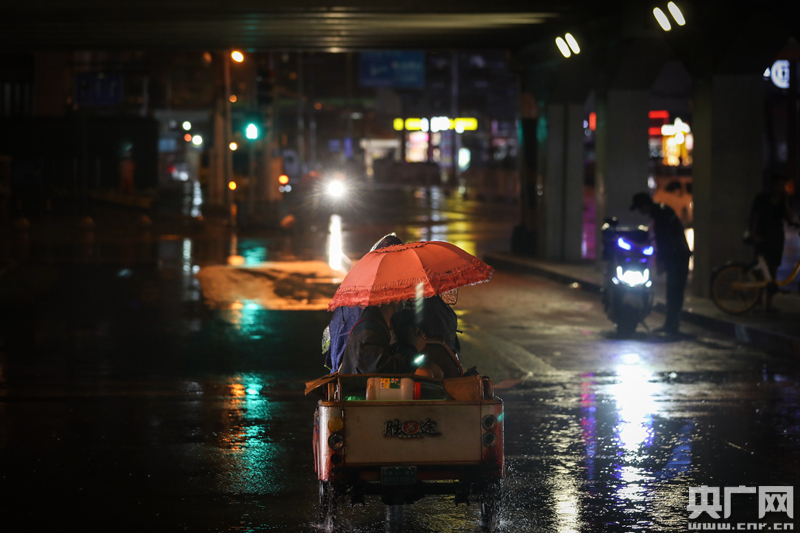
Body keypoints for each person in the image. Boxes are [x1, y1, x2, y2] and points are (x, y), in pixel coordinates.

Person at [323, 233, 404, 372]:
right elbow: (376, 365)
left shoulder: (359, 291)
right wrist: (412, 350)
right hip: (356, 374)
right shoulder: (369, 320)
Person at [630, 192, 692, 335]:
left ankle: (672, 325)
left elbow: (665, 240)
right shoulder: (660, 212)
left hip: (677, 257)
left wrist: (662, 261)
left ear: (645, 205)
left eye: (640, 208)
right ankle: (670, 324)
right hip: (676, 256)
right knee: (672, 293)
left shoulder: (660, 214)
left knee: (675, 293)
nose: (640, 211)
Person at [749, 176, 796, 311]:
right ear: (773, 185)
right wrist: (753, 234)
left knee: (773, 269)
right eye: (778, 185)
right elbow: (753, 217)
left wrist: (785, 200)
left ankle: (769, 303)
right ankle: (757, 301)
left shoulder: (783, 200)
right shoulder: (762, 198)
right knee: (760, 270)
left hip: (776, 238)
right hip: (762, 236)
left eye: (782, 186)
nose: (780, 188)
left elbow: (789, 218)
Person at [338, 301, 426, 374]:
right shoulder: (369, 330)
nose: (405, 298)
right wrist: (413, 349)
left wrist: (409, 340)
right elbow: (383, 370)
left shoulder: (386, 321)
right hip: (360, 389)